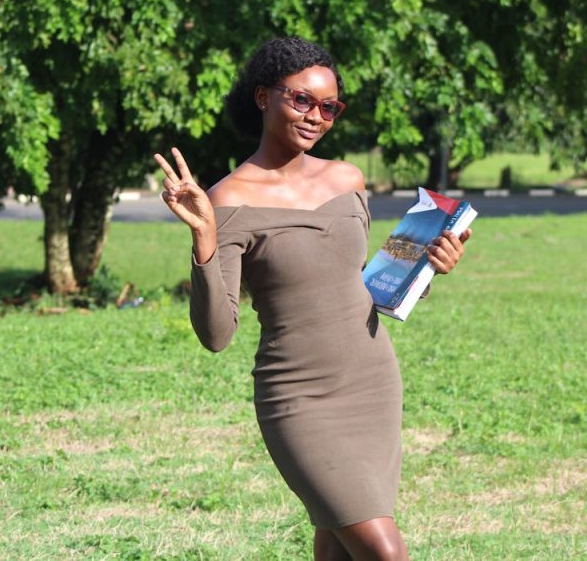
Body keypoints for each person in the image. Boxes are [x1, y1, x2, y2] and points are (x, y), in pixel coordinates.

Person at [154, 37, 470, 560]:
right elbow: (216, 335)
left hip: (373, 382)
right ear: (263, 97)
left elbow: (363, 284)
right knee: (384, 552)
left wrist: (430, 266)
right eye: (301, 99)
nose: (315, 116)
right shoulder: (226, 199)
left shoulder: (347, 178)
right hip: (299, 396)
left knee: (339, 547)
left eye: (328, 107)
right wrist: (205, 239)